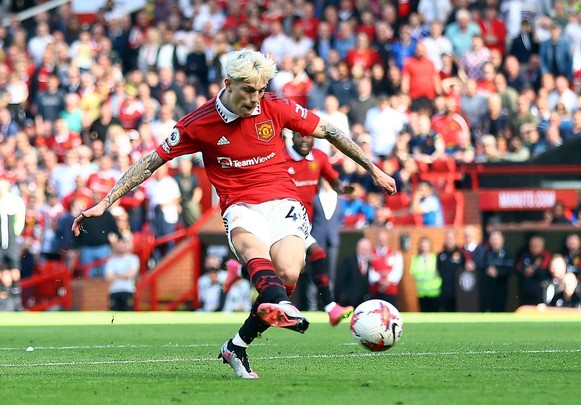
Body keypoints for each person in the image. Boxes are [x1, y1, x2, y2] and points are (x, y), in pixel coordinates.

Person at [72, 49, 396, 379]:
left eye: (260, 90)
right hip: (239, 205)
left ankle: (237, 346)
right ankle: (280, 305)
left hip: (283, 199)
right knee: (254, 251)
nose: (256, 99)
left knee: (288, 272)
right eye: (248, 91)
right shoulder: (198, 123)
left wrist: (373, 170)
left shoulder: (275, 105)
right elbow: (149, 162)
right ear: (228, 84)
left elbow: (332, 132)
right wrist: (106, 201)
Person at [224, 130, 354, 325]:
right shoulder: (280, 158)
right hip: (279, 218)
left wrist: (342, 189)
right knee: (313, 255)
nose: (304, 140)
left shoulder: (319, 158)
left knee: (292, 268)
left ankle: (241, 273)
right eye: (300, 136)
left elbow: (333, 180)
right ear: (291, 137)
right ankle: (330, 307)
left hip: (302, 221)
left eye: (308, 136)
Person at [0, 176, 26, 311]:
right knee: (2, 272)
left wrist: (16, 233)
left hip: (10, 242)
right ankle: (4, 300)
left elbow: (19, 219)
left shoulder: (14, 201)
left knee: (14, 269)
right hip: (1, 243)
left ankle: (16, 301)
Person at [369, 228, 404, 307]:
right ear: (377, 239)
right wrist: (379, 280)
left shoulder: (395, 254)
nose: (382, 241)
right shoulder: (370, 254)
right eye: (380, 239)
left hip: (390, 292)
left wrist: (387, 281)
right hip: (375, 291)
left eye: (384, 239)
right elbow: (369, 271)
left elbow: (398, 271)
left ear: (388, 239)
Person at [334, 237, 372, 309]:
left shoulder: (370, 264)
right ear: (357, 249)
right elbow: (340, 280)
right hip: (348, 302)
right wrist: (343, 296)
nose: (364, 252)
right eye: (362, 249)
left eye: (366, 250)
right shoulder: (349, 261)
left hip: (363, 303)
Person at [105, 237, 140, 311]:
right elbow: (108, 276)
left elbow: (131, 274)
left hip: (128, 290)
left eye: (123, 245)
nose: (121, 248)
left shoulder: (133, 259)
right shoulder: (111, 260)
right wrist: (125, 275)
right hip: (114, 291)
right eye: (119, 245)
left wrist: (116, 275)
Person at [515, 235, 552, 306]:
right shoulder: (525, 255)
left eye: (537, 245)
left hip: (540, 289)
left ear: (542, 246)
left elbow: (546, 270)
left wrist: (534, 271)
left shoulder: (546, 256)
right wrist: (524, 271)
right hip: (525, 289)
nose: (534, 248)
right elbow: (518, 268)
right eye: (532, 246)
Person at [437, 229, 467, 312]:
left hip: (458, 290)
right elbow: (438, 270)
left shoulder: (461, 254)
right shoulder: (440, 255)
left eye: (451, 238)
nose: (449, 241)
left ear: (455, 239)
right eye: (448, 238)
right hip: (445, 289)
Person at [410, 236, 441, 312]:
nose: (424, 248)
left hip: (434, 292)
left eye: (426, 246)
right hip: (421, 292)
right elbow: (413, 272)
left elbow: (437, 272)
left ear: (430, 247)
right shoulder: (416, 258)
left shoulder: (435, 258)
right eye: (422, 246)